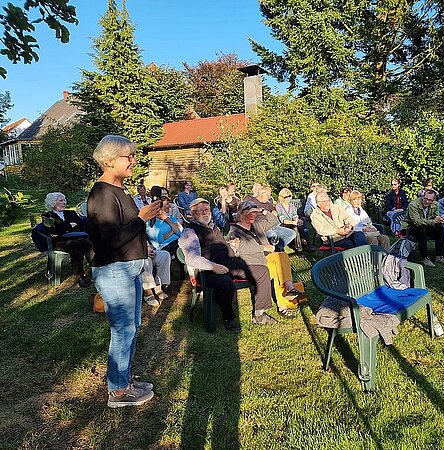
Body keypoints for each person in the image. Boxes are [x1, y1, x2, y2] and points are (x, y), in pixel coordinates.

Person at [87, 134, 161, 408]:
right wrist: (141, 219)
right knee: (123, 330)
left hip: (129, 267)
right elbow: (111, 240)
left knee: (132, 327)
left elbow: (127, 231)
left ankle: (125, 380)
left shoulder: (120, 190)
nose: (133, 161)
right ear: (109, 160)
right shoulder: (103, 194)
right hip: (113, 270)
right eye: (127, 157)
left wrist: (145, 245)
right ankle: (117, 391)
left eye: (133, 155)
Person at [179, 198, 276, 329]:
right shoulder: (189, 232)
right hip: (208, 271)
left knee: (262, 271)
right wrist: (213, 266)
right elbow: (191, 258)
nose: (204, 213)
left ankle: (259, 314)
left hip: (230, 264)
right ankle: (228, 318)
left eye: (206, 210)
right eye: (200, 211)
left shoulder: (214, 227)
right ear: (193, 213)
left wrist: (233, 246)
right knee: (225, 283)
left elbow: (221, 246)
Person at [229, 200, 307, 317]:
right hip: (252, 262)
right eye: (249, 213)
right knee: (276, 271)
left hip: (266, 257)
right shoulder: (234, 231)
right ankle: (282, 306)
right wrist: (263, 247)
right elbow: (243, 248)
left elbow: (274, 221)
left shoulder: (256, 225)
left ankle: (290, 288)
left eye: (254, 213)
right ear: (240, 215)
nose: (253, 215)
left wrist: (262, 210)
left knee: (282, 256)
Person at [42, 192, 94, 287]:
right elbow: (53, 230)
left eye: (64, 200)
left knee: (88, 243)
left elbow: (81, 226)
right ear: (53, 202)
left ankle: (95, 270)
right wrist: (70, 225)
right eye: (61, 200)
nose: (64, 202)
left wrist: (64, 227)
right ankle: (79, 276)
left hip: (78, 238)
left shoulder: (71, 213)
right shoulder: (47, 216)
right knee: (75, 246)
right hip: (60, 242)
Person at [406, 189, 444, 267]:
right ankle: (424, 257)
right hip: (411, 226)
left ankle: (439, 256)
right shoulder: (413, 204)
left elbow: (435, 217)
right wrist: (433, 221)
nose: (427, 201)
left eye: (430, 200)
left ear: (433, 200)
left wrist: (440, 220)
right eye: (426, 199)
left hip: (426, 225)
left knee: (440, 228)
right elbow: (417, 221)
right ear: (422, 197)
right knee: (421, 230)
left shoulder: (435, 204)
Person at [250, 184, 296, 250]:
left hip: (272, 225)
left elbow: (273, 210)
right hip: (261, 228)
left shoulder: (268, 203)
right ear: (261, 194)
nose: (269, 197)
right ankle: (276, 249)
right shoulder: (252, 202)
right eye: (268, 195)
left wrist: (274, 211)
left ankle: (277, 248)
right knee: (273, 235)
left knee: (292, 234)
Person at [275, 188, 314, 253]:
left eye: (289, 196)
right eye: (286, 197)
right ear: (281, 197)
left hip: (292, 223)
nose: (288, 198)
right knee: (295, 227)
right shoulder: (278, 206)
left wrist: (298, 220)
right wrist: (294, 222)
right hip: (282, 225)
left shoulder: (292, 206)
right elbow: (282, 219)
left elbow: (295, 216)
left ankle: (305, 245)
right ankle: (300, 249)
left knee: (299, 226)